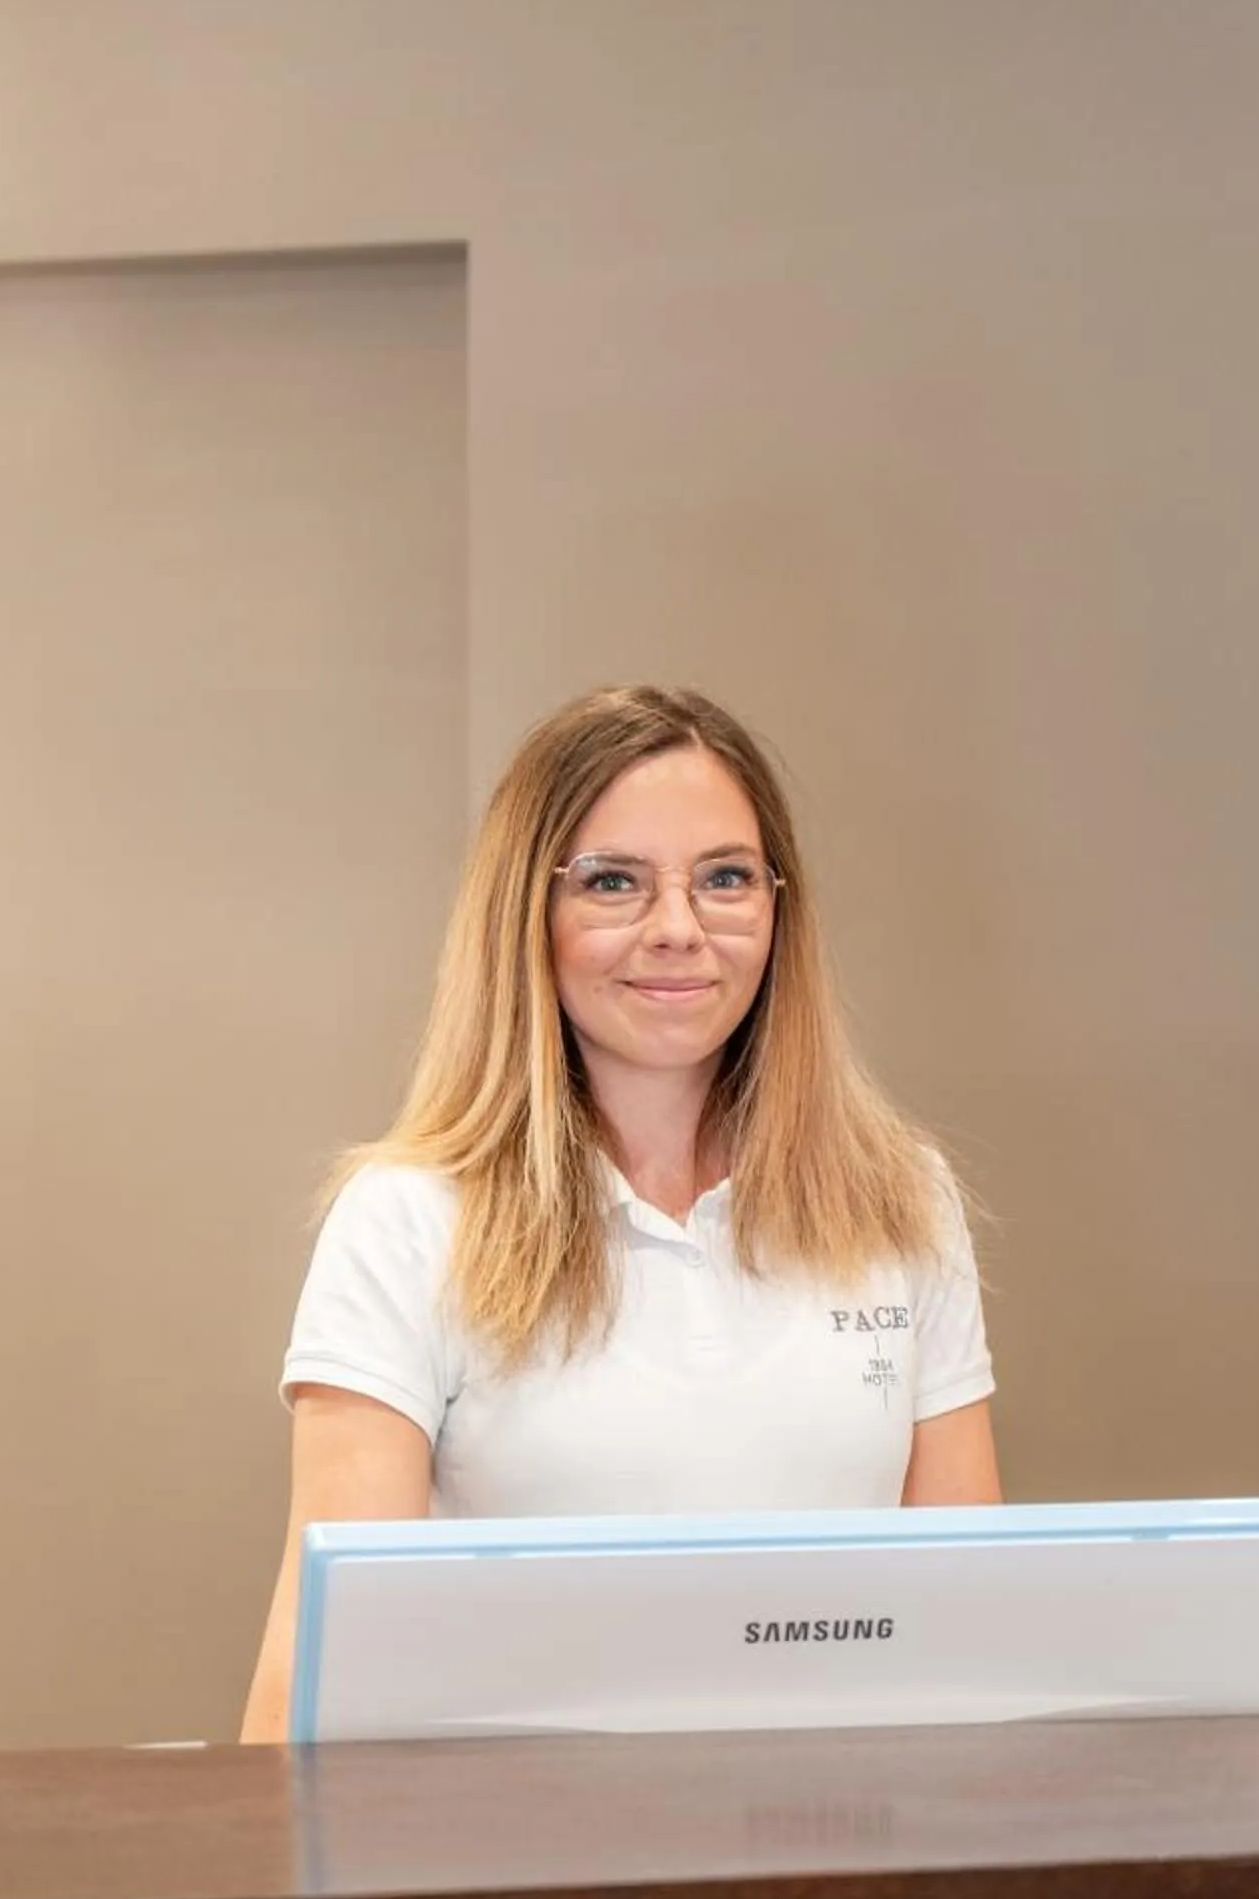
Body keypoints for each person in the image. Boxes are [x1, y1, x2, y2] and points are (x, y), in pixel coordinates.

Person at [240, 683, 999, 1741]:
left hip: (836, 1822)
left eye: (724, 878)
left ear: (777, 908)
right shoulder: (407, 1221)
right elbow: (318, 1675)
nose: (678, 930)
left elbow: (968, 1626)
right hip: (515, 1835)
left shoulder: (898, 1200)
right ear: (528, 916)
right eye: (612, 883)